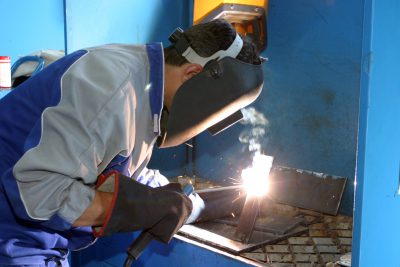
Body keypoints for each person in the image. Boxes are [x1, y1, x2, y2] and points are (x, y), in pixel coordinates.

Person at [0, 19, 263, 266]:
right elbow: (38, 192)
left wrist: (191, 204)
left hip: (36, 240)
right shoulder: (111, 90)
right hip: (11, 239)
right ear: (193, 74)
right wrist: (140, 207)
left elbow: (118, 165)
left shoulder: (146, 85)